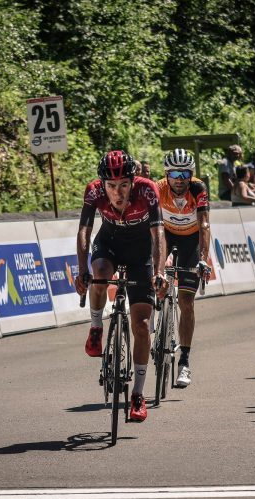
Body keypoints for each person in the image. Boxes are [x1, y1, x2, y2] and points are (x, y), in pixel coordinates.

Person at [75, 150, 167, 422]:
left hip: (141, 253)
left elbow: (158, 233)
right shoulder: (93, 192)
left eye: (124, 185)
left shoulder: (148, 191)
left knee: (141, 324)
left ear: (133, 181)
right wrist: (82, 270)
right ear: (102, 185)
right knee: (100, 272)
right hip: (110, 244)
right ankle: (95, 327)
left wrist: (159, 271)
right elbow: (84, 230)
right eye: (111, 186)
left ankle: (138, 394)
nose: (118, 192)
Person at [155, 148, 211, 388]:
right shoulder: (158, 189)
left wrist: (203, 259)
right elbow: (154, 228)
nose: (180, 179)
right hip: (165, 234)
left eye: (185, 173)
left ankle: (184, 362)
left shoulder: (198, 189)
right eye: (175, 173)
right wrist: (158, 262)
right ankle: (151, 326)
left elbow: (205, 224)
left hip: (191, 240)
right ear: (167, 174)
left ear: (191, 175)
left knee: (186, 302)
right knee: (152, 276)